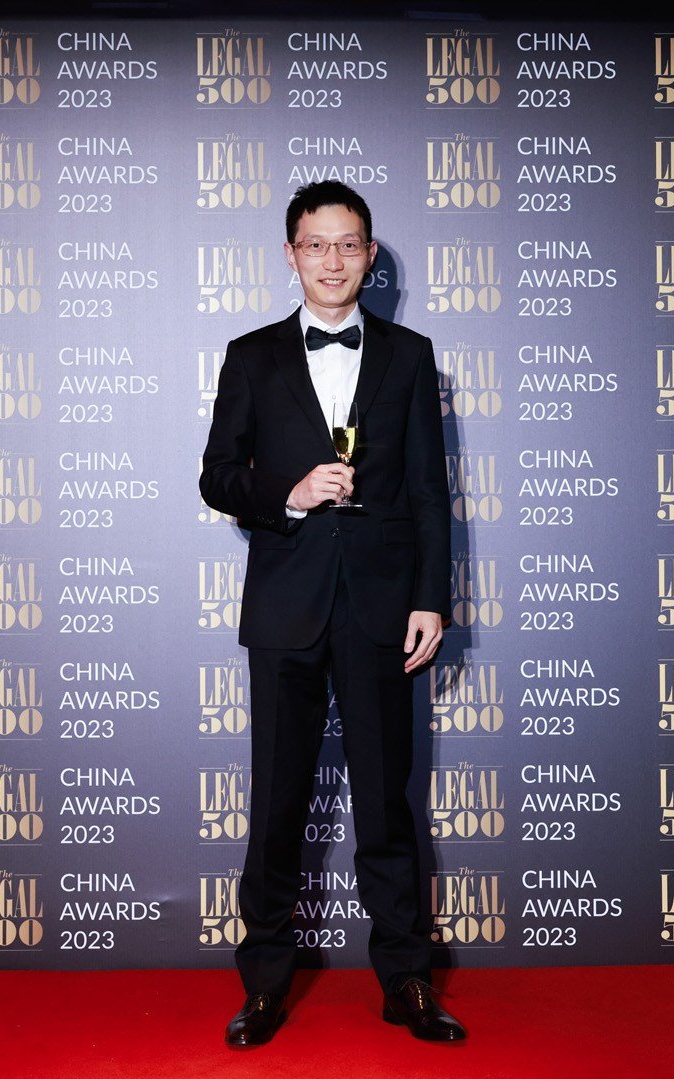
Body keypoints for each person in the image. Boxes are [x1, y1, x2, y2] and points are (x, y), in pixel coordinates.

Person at [199, 181, 464, 1046]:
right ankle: (264, 984)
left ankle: (407, 979)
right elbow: (216, 475)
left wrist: (432, 597)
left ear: (370, 254)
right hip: (286, 607)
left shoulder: (410, 355)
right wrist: (291, 490)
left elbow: (430, 491)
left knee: (387, 804)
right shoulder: (251, 355)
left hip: (383, 607)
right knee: (277, 802)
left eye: (348, 244)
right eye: (316, 244)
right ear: (291, 254)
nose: (333, 259)